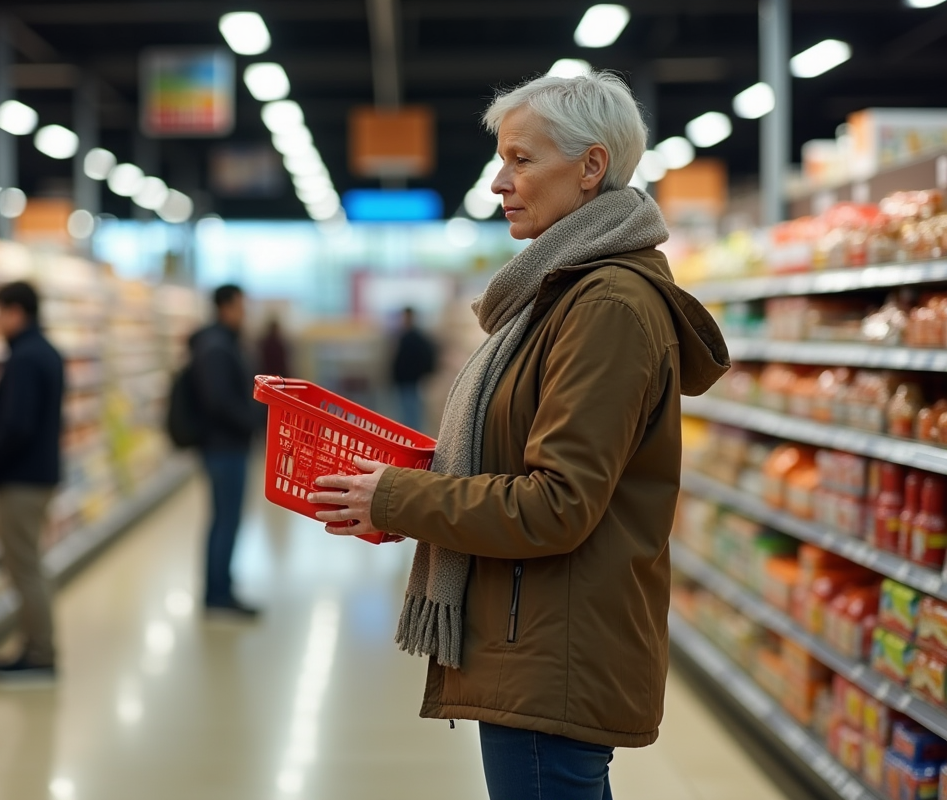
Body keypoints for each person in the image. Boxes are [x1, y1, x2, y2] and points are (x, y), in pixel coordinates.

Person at [308, 71, 729, 800]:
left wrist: (400, 497)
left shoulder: (604, 306)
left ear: (591, 167)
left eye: (521, 160)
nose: (499, 182)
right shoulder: (558, 295)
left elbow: (557, 504)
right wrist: (412, 485)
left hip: (552, 648)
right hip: (534, 636)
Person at [0, 281, 65, 683]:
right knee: (30, 563)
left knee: (25, 567)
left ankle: (40, 654)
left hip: (22, 479)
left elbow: (17, 425)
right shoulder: (45, 351)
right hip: (39, 474)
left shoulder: (25, 358)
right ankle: (33, 647)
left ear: (16, 312)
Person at [190, 284, 259, 618]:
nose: (245, 313)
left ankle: (220, 587)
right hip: (224, 447)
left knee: (224, 518)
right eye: (240, 306)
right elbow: (218, 401)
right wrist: (251, 420)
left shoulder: (219, 342)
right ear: (225, 307)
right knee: (226, 520)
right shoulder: (216, 346)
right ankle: (218, 595)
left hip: (224, 445)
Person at [390, 307, 437, 432]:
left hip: (410, 380)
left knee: (410, 413)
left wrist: (422, 373)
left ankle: (412, 436)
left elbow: (426, 357)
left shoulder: (414, 338)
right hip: (405, 380)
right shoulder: (405, 336)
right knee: (408, 411)